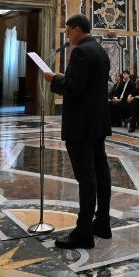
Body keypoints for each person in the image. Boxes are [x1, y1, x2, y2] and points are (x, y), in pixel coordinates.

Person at [44, 14, 112, 250]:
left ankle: (83, 232)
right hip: (97, 122)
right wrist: (65, 78)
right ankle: (102, 222)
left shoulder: (81, 52)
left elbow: (74, 88)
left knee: (87, 176)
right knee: (101, 171)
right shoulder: (100, 51)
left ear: (76, 29)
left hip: (81, 125)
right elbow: (88, 85)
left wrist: (54, 80)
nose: (67, 36)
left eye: (67, 31)